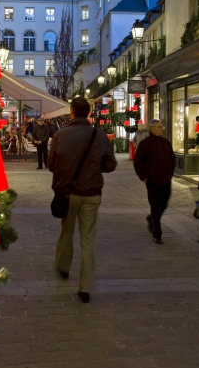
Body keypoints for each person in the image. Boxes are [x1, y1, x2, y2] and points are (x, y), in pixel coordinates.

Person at [48, 97, 117, 303]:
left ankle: (63, 267)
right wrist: (95, 167)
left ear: (71, 112)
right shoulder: (100, 135)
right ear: (88, 113)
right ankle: (85, 287)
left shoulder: (60, 135)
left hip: (67, 194)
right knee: (88, 240)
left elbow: (52, 165)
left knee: (66, 231)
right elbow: (111, 165)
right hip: (91, 193)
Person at [133, 119, 175, 244]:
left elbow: (172, 158)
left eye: (162, 126)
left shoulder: (166, 142)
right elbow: (137, 161)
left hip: (166, 179)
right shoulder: (146, 143)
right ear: (152, 129)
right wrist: (144, 177)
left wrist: (170, 173)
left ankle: (151, 218)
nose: (162, 128)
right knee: (156, 206)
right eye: (159, 127)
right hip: (152, 180)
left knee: (164, 204)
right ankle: (157, 233)